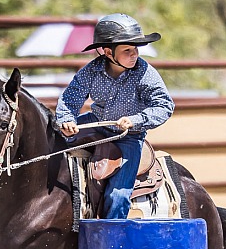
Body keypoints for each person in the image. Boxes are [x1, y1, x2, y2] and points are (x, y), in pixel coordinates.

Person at [56, 13, 175, 219]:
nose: (134, 54)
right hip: (96, 122)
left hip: (128, 136)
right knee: (53, 141)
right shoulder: (91, 71)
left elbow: (164, 105)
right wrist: (67, 120)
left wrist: (135, 120)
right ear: (108, 52)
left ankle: (113, 234)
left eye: (136, 49)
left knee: (118, 195)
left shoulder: (145, 72)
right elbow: (70, 98)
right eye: (127, 50)